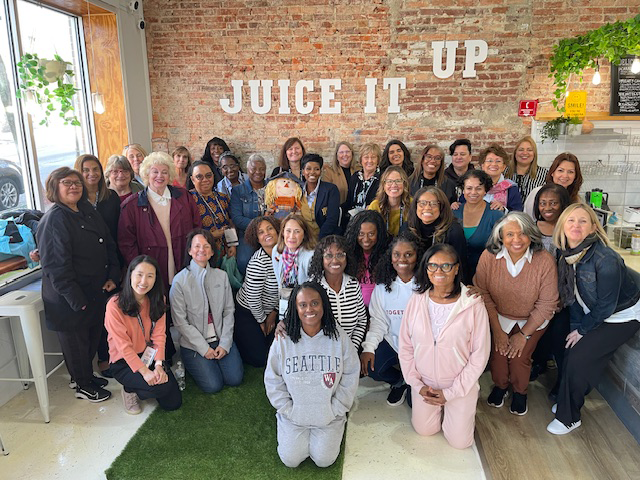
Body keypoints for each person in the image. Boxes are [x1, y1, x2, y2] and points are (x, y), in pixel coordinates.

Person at [547, 205, 640, 435]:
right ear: (562, 226)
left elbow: (607, 306)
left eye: (582, 221)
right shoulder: (565, 252)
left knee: (579, 356)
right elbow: (575, 294)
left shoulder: (605, 258)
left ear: (592, 228)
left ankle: (569, 418)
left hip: (622, 315)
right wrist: (577, 328)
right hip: (592, 310)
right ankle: (569, 401)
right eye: (571, 221)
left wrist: (582, 330)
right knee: (569, 347)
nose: (576, 226)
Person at [37, 167, 119, 402]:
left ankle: (86, 377)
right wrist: (76, 300)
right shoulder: (54, 219)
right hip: (69, 297)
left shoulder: (86, 211)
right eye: (67, 183)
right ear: (55, 188)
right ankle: (82, 385)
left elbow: (108, 244)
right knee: (76, 345)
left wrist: (113, 276)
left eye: (77, 183)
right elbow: (55, 267)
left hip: (95, 290)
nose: (74, 186)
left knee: (91, 340)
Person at [399, 244, 490, 449]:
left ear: (456, 268)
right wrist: (416, 384)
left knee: (460, 443)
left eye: (446, 266)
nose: (438, 271)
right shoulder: (416, 300)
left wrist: (451, 393)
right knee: (424, 430)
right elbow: (405, 345)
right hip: (425, 383)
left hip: (459, 384)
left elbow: (480, 355)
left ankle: (459, 410)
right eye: (432, 266)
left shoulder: (473, 304)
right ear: (426, 269)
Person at [264, 281, 359, 468]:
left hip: (329, 416)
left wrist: (336, 409)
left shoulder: (339, 337)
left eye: (315, 303)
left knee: (324, 460)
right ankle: (287, 425)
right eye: (303, 305)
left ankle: (335, 424)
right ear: (295, 308)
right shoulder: (283, 338)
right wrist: (287, 409)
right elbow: (272, 379)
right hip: (294, 416)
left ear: (324, 304)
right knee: (290, 460)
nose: (310, 309)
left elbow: (350, 374)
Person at [119, 152, 201, 361]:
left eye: (165, 172)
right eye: (154, 171)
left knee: (185, 304)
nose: (159, 176)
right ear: (146, 174)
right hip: (151, 267)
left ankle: (192, 349)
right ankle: (161, 355)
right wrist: (139, 272)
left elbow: (196, 228)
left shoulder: (183, 196)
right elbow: (126, 242)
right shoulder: (132, 205)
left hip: (182, 260)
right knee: (156, 307)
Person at [473, 212, 558, 415]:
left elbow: (547, 304)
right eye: (510, 234)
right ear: (500, 236)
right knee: (498, 355)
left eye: (522, 234)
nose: (517, 240)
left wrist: (523, 335)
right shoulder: (489, 257)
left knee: (520, 356)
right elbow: (482, 293)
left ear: (531, 235)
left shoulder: (544, 260)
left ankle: (520, 392)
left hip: (533, 318)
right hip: (498, 315)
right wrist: (497, 331)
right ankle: (501, 387)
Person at [105, 255, 181, 413]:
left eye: (150, 276)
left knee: (173, 403)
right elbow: (123, 347)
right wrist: (145, 372)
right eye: (139, 274)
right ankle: (129, 389)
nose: (143, 281)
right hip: (123, 361)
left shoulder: (158, 299)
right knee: (157, 388)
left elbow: (160, 336)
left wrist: (159, 365)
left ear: (155, 279)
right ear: (130, 275)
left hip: (149, 355)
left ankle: (145, 383)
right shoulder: (114, 305)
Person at [170, 229, 243, 393]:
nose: (201, 250)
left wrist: (224, 344)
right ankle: (192, 361)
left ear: (211, 252)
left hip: (219, 338)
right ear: (189, 250)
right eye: (196, 246)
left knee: (234, 379)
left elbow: (228, 312)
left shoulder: (221, 276)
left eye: (206, 246)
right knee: (213, 386)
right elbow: (181, 322)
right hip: (195, 344)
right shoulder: (179, 281)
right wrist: (204, 348)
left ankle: (218, 357)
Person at [361, 231, 423, 406]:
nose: (402, 259)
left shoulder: (426, 284)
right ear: (390, 257)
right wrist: (369, 348)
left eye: (408, 255)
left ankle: (412, 382)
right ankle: (399, 382)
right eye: (397, 254)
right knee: (372, 367)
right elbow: (378, 321)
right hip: (393, 342)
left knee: (414, 403)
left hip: (419, 348)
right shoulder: (382, 286)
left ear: (417, 257)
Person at [74, 153, 123, 377]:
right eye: (86, 170)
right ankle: (103, 357)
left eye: (95, 169)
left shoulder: (111, 197)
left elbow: (119, 231)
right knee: (98, 315)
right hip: (88, 266)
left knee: (115, 312)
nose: (91, 174)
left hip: (113, 261)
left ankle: (116, 354)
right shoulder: (74, 201)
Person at [529, 184, 571, 387]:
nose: (548, 207)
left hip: (563, 295)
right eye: (543, 203)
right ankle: (539, 364)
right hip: (537, 293)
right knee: (539, 333)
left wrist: (562, 297)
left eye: (553, 203)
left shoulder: (569, 228)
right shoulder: (532, 228)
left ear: (563, 205)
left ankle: (562, 382)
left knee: (559, 336)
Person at [235, 216, 280, 367]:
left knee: (279, 349)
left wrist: (274, 313)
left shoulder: (286, 256)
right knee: (260, 359)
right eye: (261, 232)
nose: (267, 233)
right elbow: (253, 299)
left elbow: (287, 289)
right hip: (249, 311)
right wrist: (262, 321)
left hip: (273, 310)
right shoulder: (258, 263)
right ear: (257, 239)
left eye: (270, 229)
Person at [308, 235, 368, 349]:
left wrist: (352, 349)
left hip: (349, 351)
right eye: (329, 256)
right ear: (321, 258)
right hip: (320, 353)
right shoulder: (313, 287)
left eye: (340, 255)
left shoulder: (353, 285)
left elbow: (361, 321)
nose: (335, 260)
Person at [405, 186, 468, 281]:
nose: (427, 208)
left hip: (443, 281)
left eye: (433, 204)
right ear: (415, 206)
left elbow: (460, 265)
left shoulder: (454, 230)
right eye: (422, 203)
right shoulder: (407, 227)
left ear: (441, 207)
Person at [453, 170, 504, 279]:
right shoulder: (453, 212)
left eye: (479, 188)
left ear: (485, 190)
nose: (473, 192)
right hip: (455, 276)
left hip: (486, 277)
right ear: (463, 190)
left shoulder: (495, 215)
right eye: (469, 188)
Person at [189, 161, 237, 267]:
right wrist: (211, 236)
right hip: (202, 253)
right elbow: (187, 232)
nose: (205, 180)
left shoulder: (222, 197)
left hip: (225, 252)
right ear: (192, 179)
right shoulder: (188, 200)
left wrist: (232, 245)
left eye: (208, 175)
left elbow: (230, 222)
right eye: (199, 177)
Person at [230, 153, 269, 274]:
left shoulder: (272, 187)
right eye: (254, 169)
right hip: (247, 234)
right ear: (248, 170)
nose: (258, 172)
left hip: (271, 233)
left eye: (262, 169)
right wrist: (259, 226)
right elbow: (237, 218)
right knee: (244, 261)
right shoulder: (238, 191)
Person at [272, 214, 316, 318]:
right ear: (282, 232)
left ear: (304, 234)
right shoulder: (277, 251)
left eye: (297, 231)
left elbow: (311, 287)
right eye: (288, 231)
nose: (291, 236)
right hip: (285, 297)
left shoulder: (311, 255)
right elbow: (279, 280)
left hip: (305, 300)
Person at [344, 210, 388, 306]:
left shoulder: (387, 255)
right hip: (354, 309)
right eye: (361, 234)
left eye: (371, 234)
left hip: (381, 310)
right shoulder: (348, 255)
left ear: (379, 234)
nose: (366, 239)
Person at [524, 152, 583, 218]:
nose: (565, 175)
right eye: (560, 170)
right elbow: (528, 220)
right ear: (552, 172)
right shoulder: (537, 192)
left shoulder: (576, 199)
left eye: (570, 172)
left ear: (575, 176)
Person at [299, 153, 340, 239]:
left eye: (316, 169)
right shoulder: (297, 190)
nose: (312, 172)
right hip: (302, 239)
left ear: (321, 171)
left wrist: (319, 242)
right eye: (308, 169)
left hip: (324, 239)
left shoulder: (331, 190)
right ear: (303, 172)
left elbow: (331, 220)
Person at [475, 144, 523, 212]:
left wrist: (503, 210)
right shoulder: (474, 185)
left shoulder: (511, 188)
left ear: (503, 167)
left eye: (498, 161)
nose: (494, 164)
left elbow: (518, 213)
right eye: (490, 161)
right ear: (482, 166)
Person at [368, 166, 411, 236]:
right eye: (389, 181)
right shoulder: (375, 206)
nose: (394, 185)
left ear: (404, 184)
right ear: (383, 185)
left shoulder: (412, 205)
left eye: (398, 181)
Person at [505, 136, 548, 200]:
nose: (525, 153)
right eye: (521, 150)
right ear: (515, 153)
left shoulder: (544, 174)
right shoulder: (504, 172)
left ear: (534, 153)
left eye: (529, 150)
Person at [345, 143, 381, 214]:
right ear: (361, 160)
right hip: (353, 218)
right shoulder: (355, 177)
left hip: (372, 217)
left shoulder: (382, 178)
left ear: (378, 160)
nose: (370, 161)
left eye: (373, 157)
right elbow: (349, 202)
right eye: (366, 157)